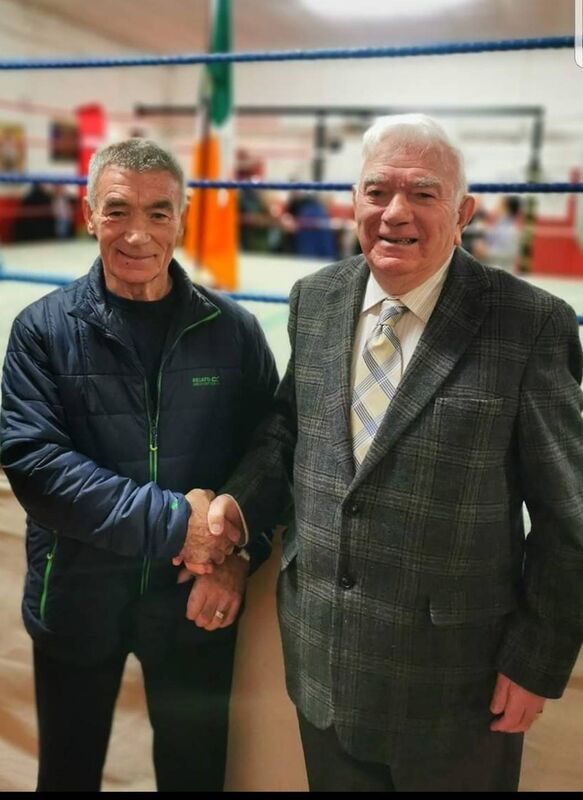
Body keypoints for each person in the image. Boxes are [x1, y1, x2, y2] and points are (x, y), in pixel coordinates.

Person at [181, 114, 583, 791]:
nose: (394, 213)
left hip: (460, 684)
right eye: (376, 191)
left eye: (422, 194)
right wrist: (238, 509)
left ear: (464, 212)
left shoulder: (528, 323)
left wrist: (537, 659)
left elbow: (568, 511)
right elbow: (289, 429)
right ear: (353, 201)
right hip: (323, 664)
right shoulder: (317, 298)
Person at [0, 138, 278, 792]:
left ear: (182, 218)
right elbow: (36, 465)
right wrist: (182, 526)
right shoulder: (42, 330)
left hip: (193, 597)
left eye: (158, 213)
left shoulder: (231, 329)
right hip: (75, 594)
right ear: (90, 215)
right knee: (66, 774)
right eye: (118, 210)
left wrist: (238, 553)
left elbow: (271, 449)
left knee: (193, 775)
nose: (136, 234)